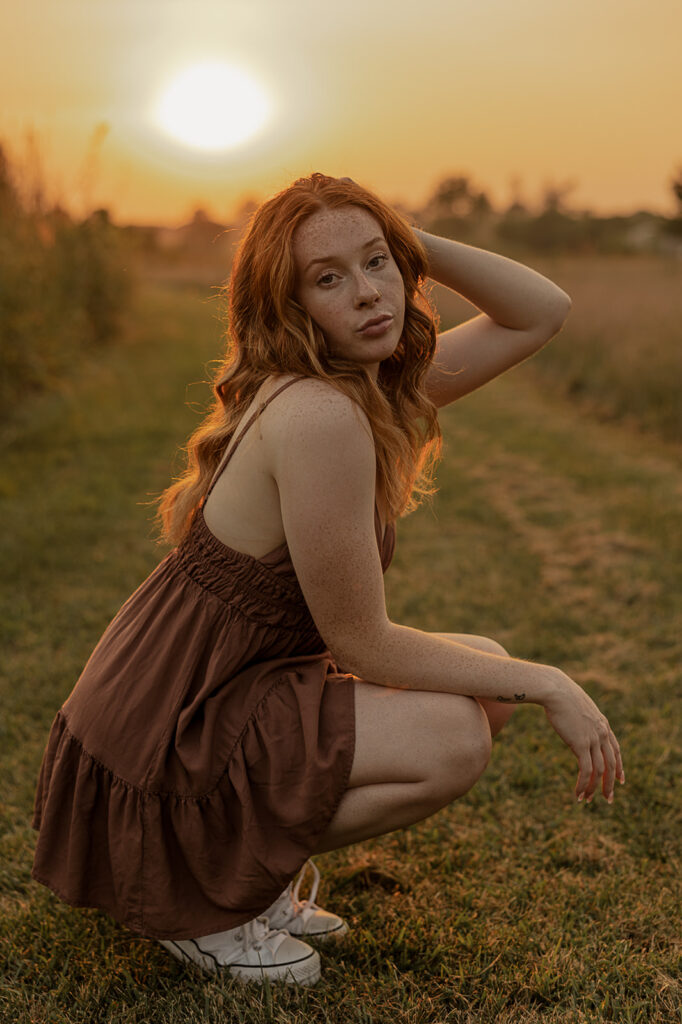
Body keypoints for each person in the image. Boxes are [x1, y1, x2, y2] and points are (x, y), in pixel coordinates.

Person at [31, 172, 624, 987]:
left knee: (484, 686)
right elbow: (362, 643)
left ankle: (241, 870)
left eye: (379, 263)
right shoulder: (319, 416)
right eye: (329, 278)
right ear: (291, 305)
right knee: (458, 735)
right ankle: (211, 898)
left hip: (213, 692)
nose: (371, 294)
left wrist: (401, 234)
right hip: (173, 732)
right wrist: (550, 680)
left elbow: (540, 310)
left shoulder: (365, 386)